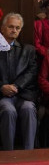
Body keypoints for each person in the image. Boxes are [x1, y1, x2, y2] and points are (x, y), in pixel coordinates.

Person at [0, 13, 38, 150]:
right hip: (2, 95)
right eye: (10, 27)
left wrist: (17, 86)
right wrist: (2, 87)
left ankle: (29, 151)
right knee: (8, 110)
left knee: (28, 109)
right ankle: (9, 152)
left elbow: (32, 72)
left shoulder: (28, 50)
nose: (14, 30)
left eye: (17, 28)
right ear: (2, 28)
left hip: (23, 94)